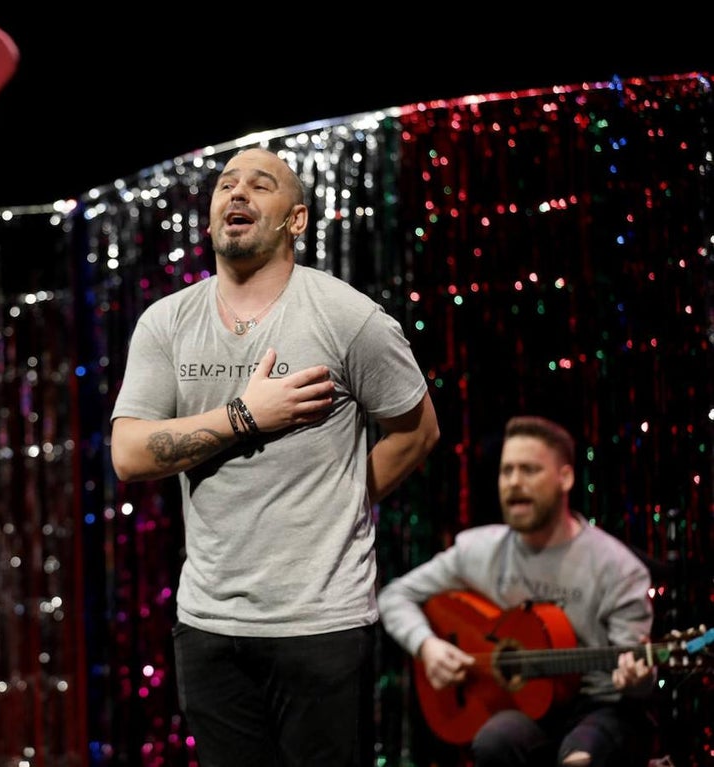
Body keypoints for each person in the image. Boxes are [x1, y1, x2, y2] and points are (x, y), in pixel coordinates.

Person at [110, 147, 441, 766]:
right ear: (209, 219)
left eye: (260, 186)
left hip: (320, 622)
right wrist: (244, 416)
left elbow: (417, 432)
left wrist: (338, 502)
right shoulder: (167, 323)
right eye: (226, 185)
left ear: (296, 220)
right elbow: (129, 455)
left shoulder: (347, 318)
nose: (236, 194)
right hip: (209, 624)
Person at [377, 415, 655, 766]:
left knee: (582, 757)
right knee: (494, 741)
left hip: (598, 707)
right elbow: (394, 596)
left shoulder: (618, 568)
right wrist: (427, 645)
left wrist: (636, 677)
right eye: (506, 471)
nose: (513, 482)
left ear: (565, 477)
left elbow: (638, 683)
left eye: (529, 470)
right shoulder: (477, 550)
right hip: (523, 707)